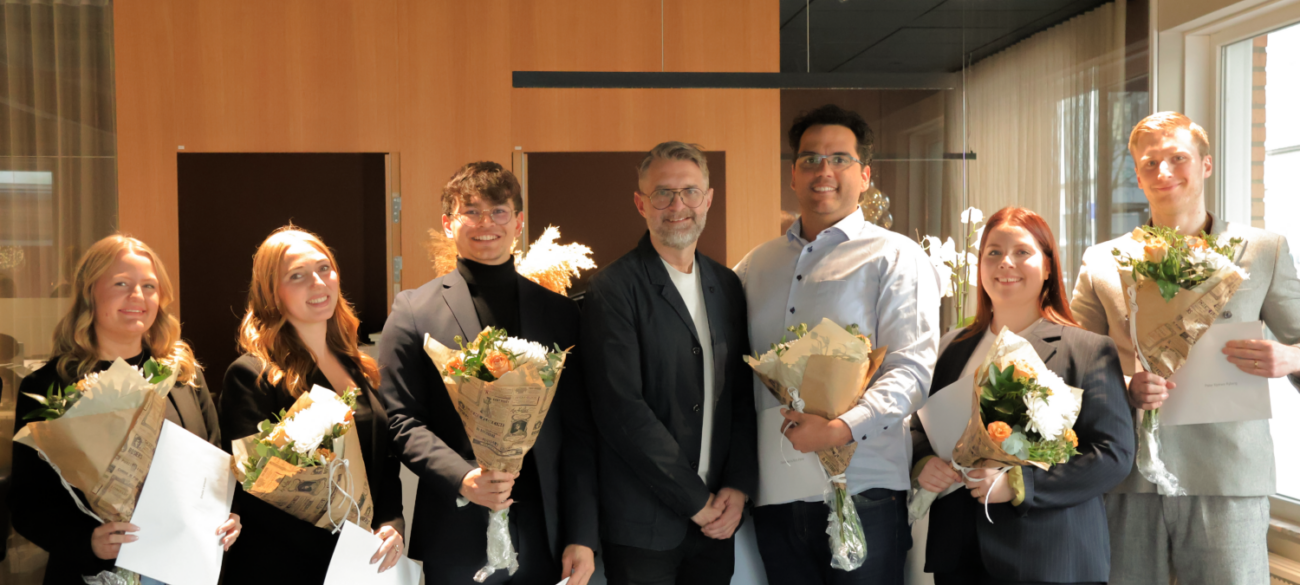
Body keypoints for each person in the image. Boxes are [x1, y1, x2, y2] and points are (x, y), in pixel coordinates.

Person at [1071, 111, 1300, 584]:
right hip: (1128, 475)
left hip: (1229, 475)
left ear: (1206, 165)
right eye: (1150, 163)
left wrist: (1290, 357)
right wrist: (1123, 387)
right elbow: (1073, 365)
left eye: (1178, 158)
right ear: (1137, 175)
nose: (1164, 172)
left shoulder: (1263, 250)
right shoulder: (1101, 261)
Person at [732, 103, 939, 584]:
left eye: (839, 158)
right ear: (792, 175)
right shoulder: (754, 266)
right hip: (776, 497)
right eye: (809, 159)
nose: (823, 171)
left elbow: (910, 373)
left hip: (864, 491)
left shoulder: (895, 257)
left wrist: (841, 428)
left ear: (865, 174)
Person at [375, 162, 598, 585]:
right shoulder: (412, 310)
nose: (486, 224)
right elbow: (401, 421)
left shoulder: (560, 314)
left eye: (498, 212)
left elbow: (580, 434)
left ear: (518, 223)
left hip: (545, 531)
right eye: (471, 212)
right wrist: (463, 478)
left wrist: (582, 536)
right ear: (448, 223)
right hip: (456, 528)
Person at [912, 207, 1134, 585]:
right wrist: (922, 462)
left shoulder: (1087, 349)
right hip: (960, 555)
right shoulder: (952, 347)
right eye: (993, 252)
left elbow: (1113, 455)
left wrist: (1019, 485)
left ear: (1048, 267)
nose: (1006, 263)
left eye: (1022, 252)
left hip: (1049, 556)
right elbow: (920, 427)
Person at [9, 235, 239, 584]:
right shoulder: (48, 386)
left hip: (186, 568)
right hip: (94, 573)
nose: (138, 297)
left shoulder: (183, 376)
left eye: (149, 286)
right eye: (122, 284)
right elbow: (27, 505)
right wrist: (88, 541)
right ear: (90, 293)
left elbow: (218, 470)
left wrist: (227, 516)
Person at [581, 142, 757, 585]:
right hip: (645, 525)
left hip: (718, 516)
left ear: (708, 199)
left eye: (690, 192)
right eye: (663, 193)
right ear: (641, 203)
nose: (677, 205)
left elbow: (739, 396)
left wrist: (737, 486)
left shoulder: (727, 285)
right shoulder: (613, 289)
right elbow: (622, 411)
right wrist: (694, 500)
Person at [220, 227, 404, 581]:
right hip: (284, 567)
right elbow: (255, 495)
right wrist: (341, 545)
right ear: (271, 294)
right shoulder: (252, 375)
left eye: (324, 268)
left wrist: (391, 524)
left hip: (360, 563)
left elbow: (383, 464)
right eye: (297, 276)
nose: (318, 283)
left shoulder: (357, 365)